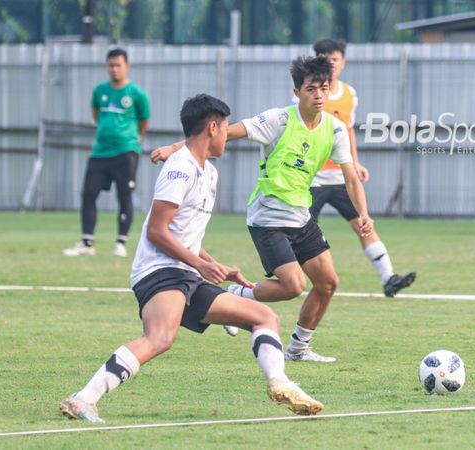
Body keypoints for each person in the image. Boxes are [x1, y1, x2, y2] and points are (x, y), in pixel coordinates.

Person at [60, 94, 323, 423]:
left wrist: (217, 266)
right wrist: (200, 265)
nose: (228, 135)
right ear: (212, 128)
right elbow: (157, 230)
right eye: (226, 128)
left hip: (187, 275)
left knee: (264, 317)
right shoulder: (180, 168)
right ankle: (84, 398)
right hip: (159, 272)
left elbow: (184, 235)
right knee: (160, 338)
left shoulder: (209, 172)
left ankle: (280, 384)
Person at [152, 56, 371, 363]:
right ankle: (232, 298)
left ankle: (298, 348)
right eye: (311, 89)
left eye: (324, 88)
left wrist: (363, 214)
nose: (319, 95)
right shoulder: (278, 120)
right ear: (297, 92)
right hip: (268, 217)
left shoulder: (335, 129)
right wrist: (173, 148)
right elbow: (219, 133)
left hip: (300, 216)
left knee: (328, 283)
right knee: (294, 285)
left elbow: (350, 177)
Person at [309, 38, 416, 298]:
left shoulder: (349, 95)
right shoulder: (307, 93)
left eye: (334, 59)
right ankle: (264, 285)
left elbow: (348, 130)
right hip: (311, 179)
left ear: (343, 63)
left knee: (364, 224)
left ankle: (388, 278)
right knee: (294, 232)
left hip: (340, 177)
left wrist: (355, 163)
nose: (330, 64)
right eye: (324, 59)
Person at [63, 48, 150, 258]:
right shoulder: (99, 90)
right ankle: (87, 242)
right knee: (88, 193)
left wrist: (135, 138)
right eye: (111, 65)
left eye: (118, 65)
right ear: (107, 66)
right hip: (100, 152)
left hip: (126, 152)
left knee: (124, 195)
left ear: (126, 66)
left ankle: (120, 243)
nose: (114, 69)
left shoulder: (137, 94)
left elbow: (144, 120)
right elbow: (96, 114)